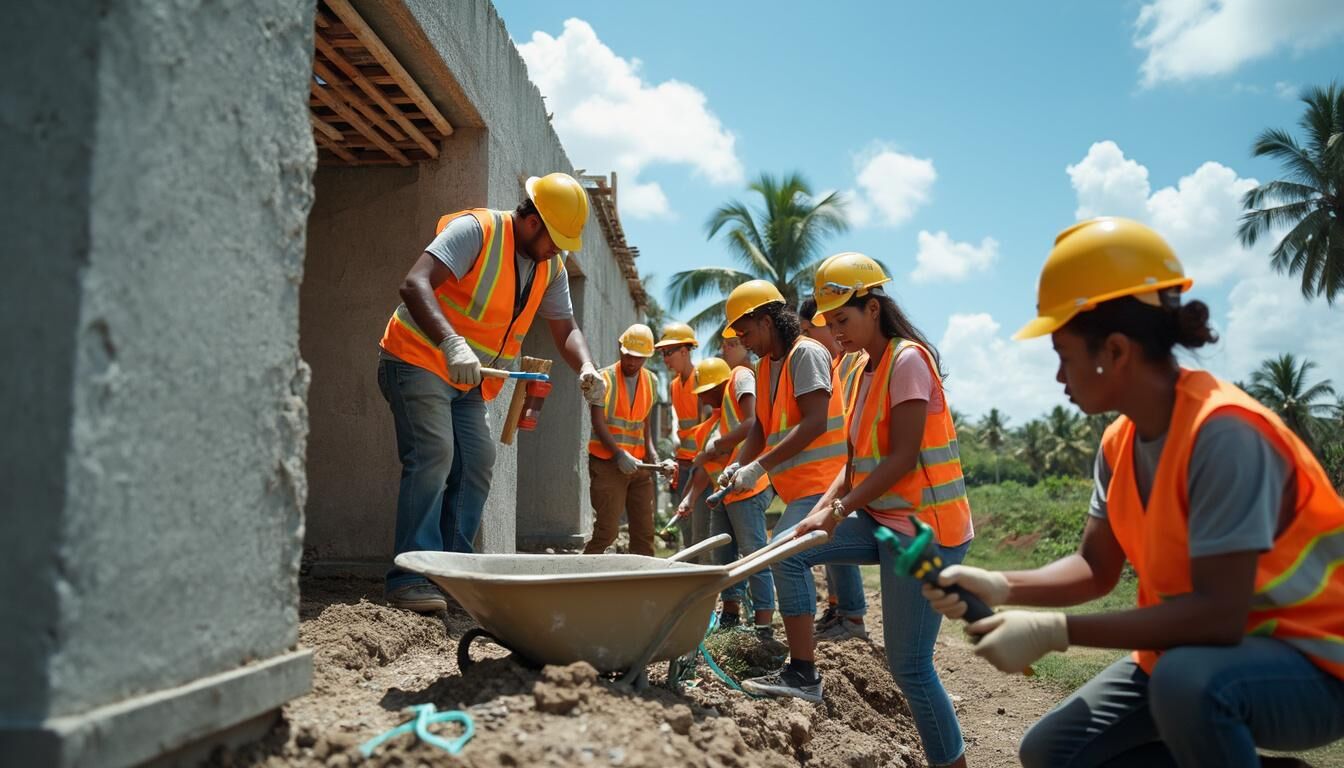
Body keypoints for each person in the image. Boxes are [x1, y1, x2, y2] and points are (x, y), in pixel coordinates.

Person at [923, 218, 1344, 768]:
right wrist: (1002, 584)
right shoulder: (1120, 441)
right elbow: (1096, 568)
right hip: (1194, 658)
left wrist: (1055, 631)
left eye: (1064, 355)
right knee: (1053, 752)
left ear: (1115, 351)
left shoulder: (1223, 434)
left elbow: (1219, 614)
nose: (1058, 377)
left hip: (1314, 665)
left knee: (1186, 684)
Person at [741, 253, 974, 768]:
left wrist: (840, 509)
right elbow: (854, 461)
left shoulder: (908, 360)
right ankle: (802, 673)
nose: (836, 332)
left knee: (910, 667)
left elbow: (903, 457)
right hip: (886, 517)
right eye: (830, 322)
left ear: (873, 307)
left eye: (843, 320)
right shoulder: (856, 367)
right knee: (789, 549)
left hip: (927, 531)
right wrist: (819, 513)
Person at [377, 172, 608, 612]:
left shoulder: (550, 267)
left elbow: (565, 328)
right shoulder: (477, 230)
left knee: (478, 461)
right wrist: (450, 341)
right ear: (533, 221)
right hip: (416, 358)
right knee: (435, 454)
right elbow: (414, 283)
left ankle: (455, 575)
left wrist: (587, 365)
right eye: (555, 237)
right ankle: (409, 578)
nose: (559, 249)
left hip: (471, 380)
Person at [714, 279, 848, 664]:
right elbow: (761, 427)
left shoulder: (805, 354)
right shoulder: (766, 365)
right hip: (800, 487)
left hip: (825, 483)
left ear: (767, 320)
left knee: (784, 556)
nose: (745, 341)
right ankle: (797, 660)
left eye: (747, 331)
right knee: (784, 559)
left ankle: (801, 666)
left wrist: (759, 466)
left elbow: (815, 422)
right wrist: (740, 462)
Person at [676, 357, 775, 638]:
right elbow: (705, 472)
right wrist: (691, 498)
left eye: (706, 392)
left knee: (754, 555)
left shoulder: (740, 379)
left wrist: (718, 446)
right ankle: (730, 617)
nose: (704, 399)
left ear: (719, 384)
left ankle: (764, 625)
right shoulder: (709, 426)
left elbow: (754, 423)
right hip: (725, 496)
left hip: (747, 489)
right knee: (723, 559)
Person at [799, 294, 869, 640]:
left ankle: (852, 617)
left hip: (854, 472)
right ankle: (840, 610)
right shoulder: (839, 364)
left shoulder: (857, 362)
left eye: (809, 329)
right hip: (843, 470)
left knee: (837, 538)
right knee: (831, 543)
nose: (807, 338)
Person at [583, 324, 663, 557]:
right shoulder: (604, 379)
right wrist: (618, 454)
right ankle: (581, 579)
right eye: (628, 355)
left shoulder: (652, 382)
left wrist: (654, 456)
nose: (631, 362)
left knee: (644, 534)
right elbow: (598, 422)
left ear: (647, 357)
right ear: (620, 348)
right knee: (607, 533)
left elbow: (644, 424)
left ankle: (640, 588)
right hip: (608, 464)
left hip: (639, 467)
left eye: (639, 358)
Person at [655, 322, 707, 547]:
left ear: (685, 351)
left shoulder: (702, 379)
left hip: (702, 466)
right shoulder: (674, 386)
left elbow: (706, 426)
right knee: (687, 530)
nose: (665, 359)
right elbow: (681, 426)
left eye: (668, 352)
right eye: (663, 353)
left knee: (701, 531)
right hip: (684, 464)